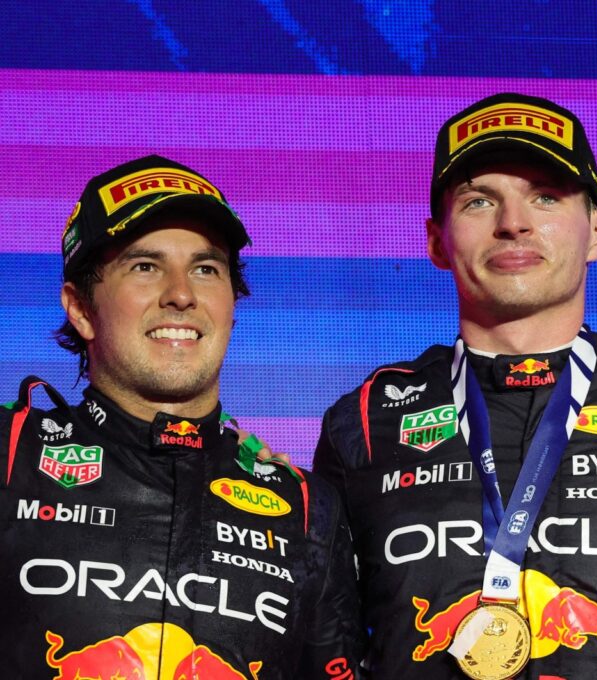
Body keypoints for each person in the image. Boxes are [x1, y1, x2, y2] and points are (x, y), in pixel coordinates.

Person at [313, 93, 597, 679]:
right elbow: (321, 648)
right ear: (437, 241)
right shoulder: (363, 422)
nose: (512, 222)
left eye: (544, 196)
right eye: (478, 201)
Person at [0, 155, 365, 679]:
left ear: (232, 304)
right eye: (145, 266)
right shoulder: (10, 455)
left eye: (205, 268)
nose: (181, 294)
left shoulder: (306, 508)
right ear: (80, 308)